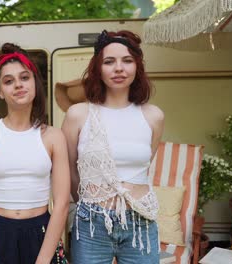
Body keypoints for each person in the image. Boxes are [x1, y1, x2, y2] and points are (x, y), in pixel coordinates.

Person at [61, 30, 164, 263]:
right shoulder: (78, 114)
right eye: (109, 62)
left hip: (141, 220)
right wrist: (91, 205)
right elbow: (69, 170)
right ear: (98, 68)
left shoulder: (153, 116)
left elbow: (143, 168)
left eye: (127, 60)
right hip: (92, 223)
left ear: (137, 66)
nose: (119, 68)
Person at [0, 43, 70, 264]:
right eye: (8, 81)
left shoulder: (53, 137)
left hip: (42, 234)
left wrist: (44, 260)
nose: (18, 85)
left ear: (34, 82)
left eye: (24, 77)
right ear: (0, 92)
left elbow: (62, 202)